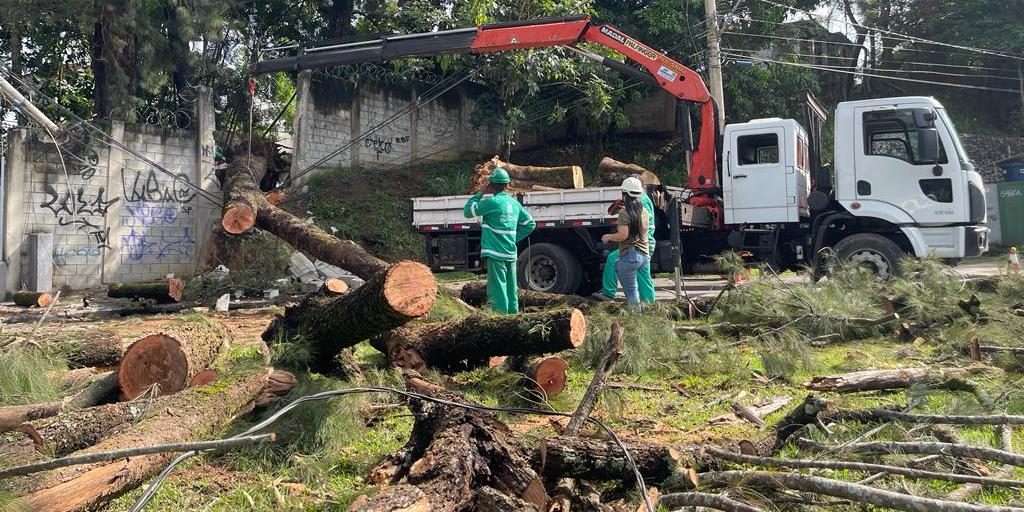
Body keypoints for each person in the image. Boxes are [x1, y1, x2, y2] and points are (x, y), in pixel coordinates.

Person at [464, 168, 536, 314]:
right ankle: (513, 317)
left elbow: (468, 211)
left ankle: (500, 317)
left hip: (495, 253)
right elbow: (530, 223)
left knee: (498, 288)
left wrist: (481, 192)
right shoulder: (514, 204)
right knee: (511, 288)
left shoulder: (492, 202)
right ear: (507, 185)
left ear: (491, 185)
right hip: (510, 252)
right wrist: (513, 238)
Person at [593, 175, 656, 303]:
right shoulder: (643, 199)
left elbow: (624, 233)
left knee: (612, 260)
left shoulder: (639, 202)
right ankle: (650, 305)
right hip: (646, 246)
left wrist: (610, 237)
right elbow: (612, 211)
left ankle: (608, 293)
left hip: (636, 246)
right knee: (643, 277)